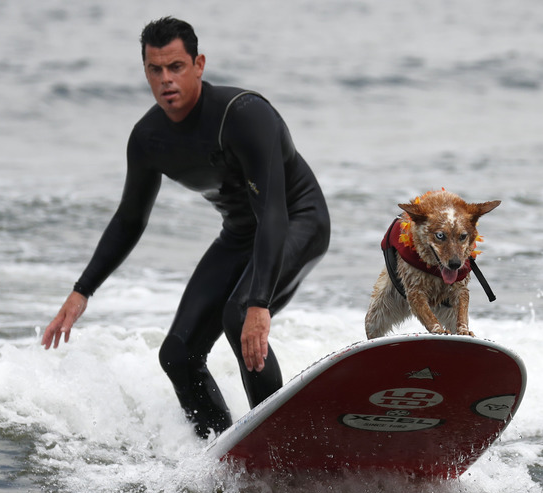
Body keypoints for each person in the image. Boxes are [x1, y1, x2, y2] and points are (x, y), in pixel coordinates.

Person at [41, 17, 330, 438]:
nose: (166, 80)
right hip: (239, 235)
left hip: (296, 220)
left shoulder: (245, 115)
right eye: (155, 70)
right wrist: (82, 289)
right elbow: (129, 219)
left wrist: (259, 303)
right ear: (145, 73)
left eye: (175, 66)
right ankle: (222, 452)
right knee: (177, 355)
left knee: (239, 314)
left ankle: (281, 440)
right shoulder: (148, 139)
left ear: (199, 64)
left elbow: (272, 212)